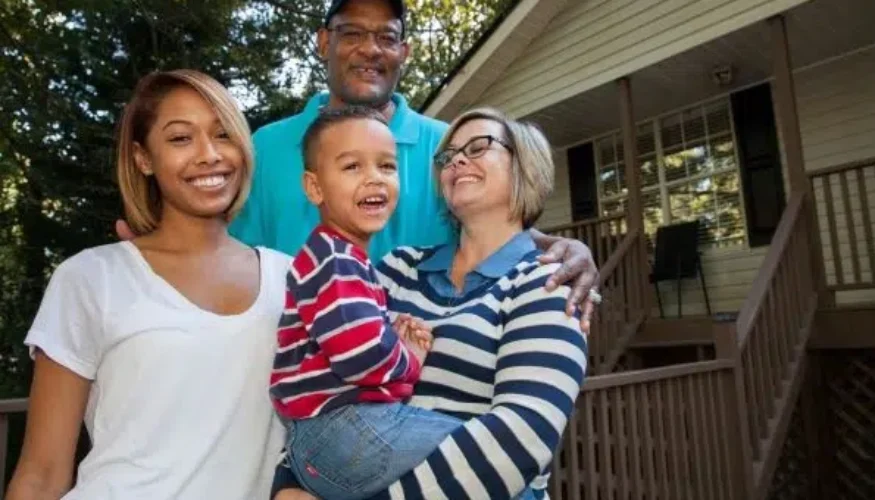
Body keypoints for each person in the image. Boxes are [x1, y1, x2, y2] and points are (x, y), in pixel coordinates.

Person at [224, 0, 602, 332]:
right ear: (325, 42)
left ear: (404, 52)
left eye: (387, 38)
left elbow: (492, 226)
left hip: (421, 374)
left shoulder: (448, 148)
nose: (370, 49)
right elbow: (232, 255)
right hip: (303, 381)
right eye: (353, 32)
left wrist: (559, 246)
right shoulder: (268, 147)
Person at [276, 107, 588, 500]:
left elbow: (522, 438)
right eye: (447, 156)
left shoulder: (550, 283)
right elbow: (331, 401)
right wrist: (287, 484)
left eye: (478, 146)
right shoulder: (396, 268)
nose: (457, 159)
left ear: (526, 165)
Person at [7, 70, 289, 499]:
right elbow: (42, 473)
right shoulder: (91, 278)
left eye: (223, 134)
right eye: (180, 138)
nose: (209, 154)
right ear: (143, 159)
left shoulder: (294, 279)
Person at [272, 106, 491, 500]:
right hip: (339, 431)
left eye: (387, 166)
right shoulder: (335, 259)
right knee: (484, 450)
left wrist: (387, 325)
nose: (374, 178)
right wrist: (408, 358)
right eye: (352, 166)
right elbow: (360, 354)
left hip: (333, 435)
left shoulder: (345, 260)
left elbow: (347, 332)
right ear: (314, 187)